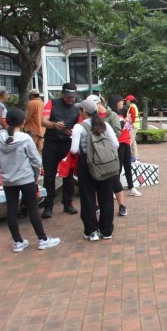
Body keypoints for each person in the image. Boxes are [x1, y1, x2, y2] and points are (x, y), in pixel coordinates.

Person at [0, 108, 61, 253]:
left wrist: (4, 172)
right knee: (33, 208)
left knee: (11, 209)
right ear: (23, 122)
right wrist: (35, 175)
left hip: (8, 180)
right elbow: (35, 160)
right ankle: (42, 239)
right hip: (26, 178)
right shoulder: (25, 139)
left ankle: (17, 241)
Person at [71, 99, 119, 241]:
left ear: (84, 111)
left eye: (80, 109)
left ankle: (92, 231)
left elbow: (74, 150)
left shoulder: (78, 127)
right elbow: (115, 144)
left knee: (88, 198)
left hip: (86, 165)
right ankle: (107, 230)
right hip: (105, 164)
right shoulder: (105, 125)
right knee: (106, 197)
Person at [41, 83, 80, 218]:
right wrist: (54, 125)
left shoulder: (77, 108)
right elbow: (43, 121)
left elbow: (80, 126)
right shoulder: (51, 103)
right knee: (49, 176)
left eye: (73, 97)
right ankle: (48, 206)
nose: (70, 99)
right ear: (62, 94)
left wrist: (72, 133)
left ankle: (68, 203)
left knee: (68, 176)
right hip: (51, 143)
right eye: (68, 96)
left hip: (67, 144)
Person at [89, 95, 130, 217]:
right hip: (96, 154)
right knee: (97, 179)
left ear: (98, 104)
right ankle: (98, 205)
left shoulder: (112, 116)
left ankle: (122, 205)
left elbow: (117, 132)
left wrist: (104, 144)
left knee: (115, 179)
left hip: (110, 152)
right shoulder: (92, 118)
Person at [109, 95, 142, 203]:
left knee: (128, 166)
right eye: (120, 102)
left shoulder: (124, 111)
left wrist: (128, 121)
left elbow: (128, 126)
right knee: (117, 168)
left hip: (126, 141)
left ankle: (131, 187)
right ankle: (114, 189)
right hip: (118, 142)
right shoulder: (112, 115)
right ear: (115, 103)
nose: (122, 103)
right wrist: (124, 122)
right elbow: (115, 128)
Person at [23, 88, 45, 153]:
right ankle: (40, 161)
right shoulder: (42, 103)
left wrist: (23, 123)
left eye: (29, 95)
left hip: (33, 129)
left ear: (32, 95)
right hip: (41, 129)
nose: (29, 96)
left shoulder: (32, 103)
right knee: (40, 148)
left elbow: (28, 116)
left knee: (31, 148)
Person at [124, 94, 139, 161]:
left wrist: (131, 123)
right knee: (133, 141)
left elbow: (132, 116)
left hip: (132, 126)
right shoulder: (133, 106)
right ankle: (135, 156)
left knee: (130, 141)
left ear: (129, 101)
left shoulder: (132, 107)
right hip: (134, 125)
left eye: (126, 100)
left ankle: (129, 156)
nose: (126, 102)